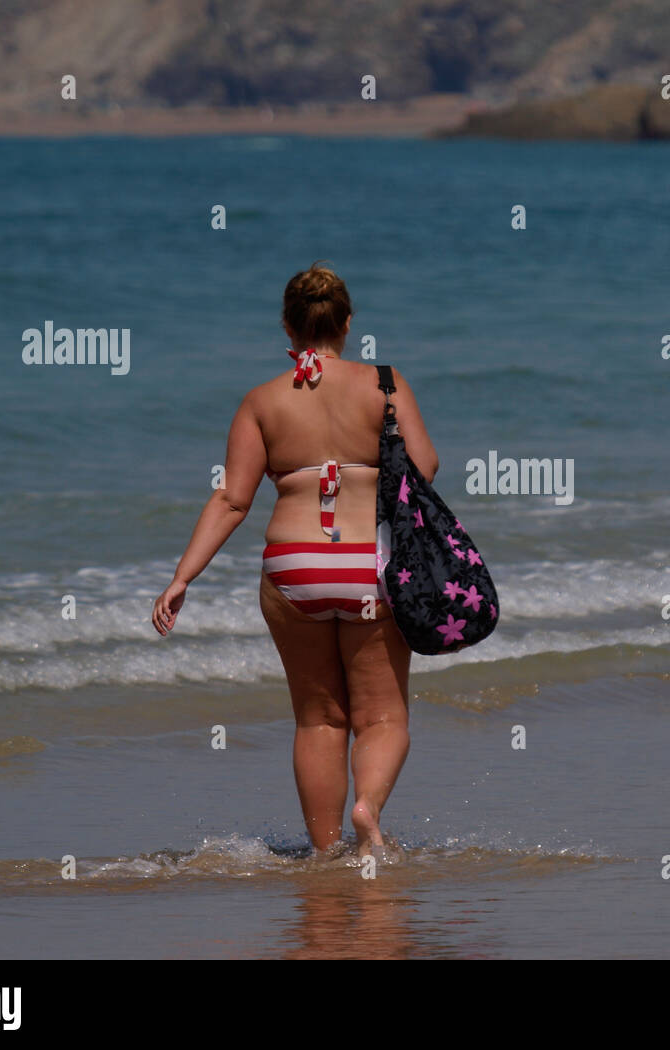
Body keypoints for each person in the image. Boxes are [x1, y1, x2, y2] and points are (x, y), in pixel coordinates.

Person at [151, 263, 439, 856]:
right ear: (348, 322)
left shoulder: (261, 401)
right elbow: (425, 467)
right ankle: (369, 813)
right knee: (381, 717)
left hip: (293, 571)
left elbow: (232, 499)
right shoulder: (386, 384)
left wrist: (182, 578)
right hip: (370, 566)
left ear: (287, 323)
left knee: (319, 720)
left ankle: (326, 854)